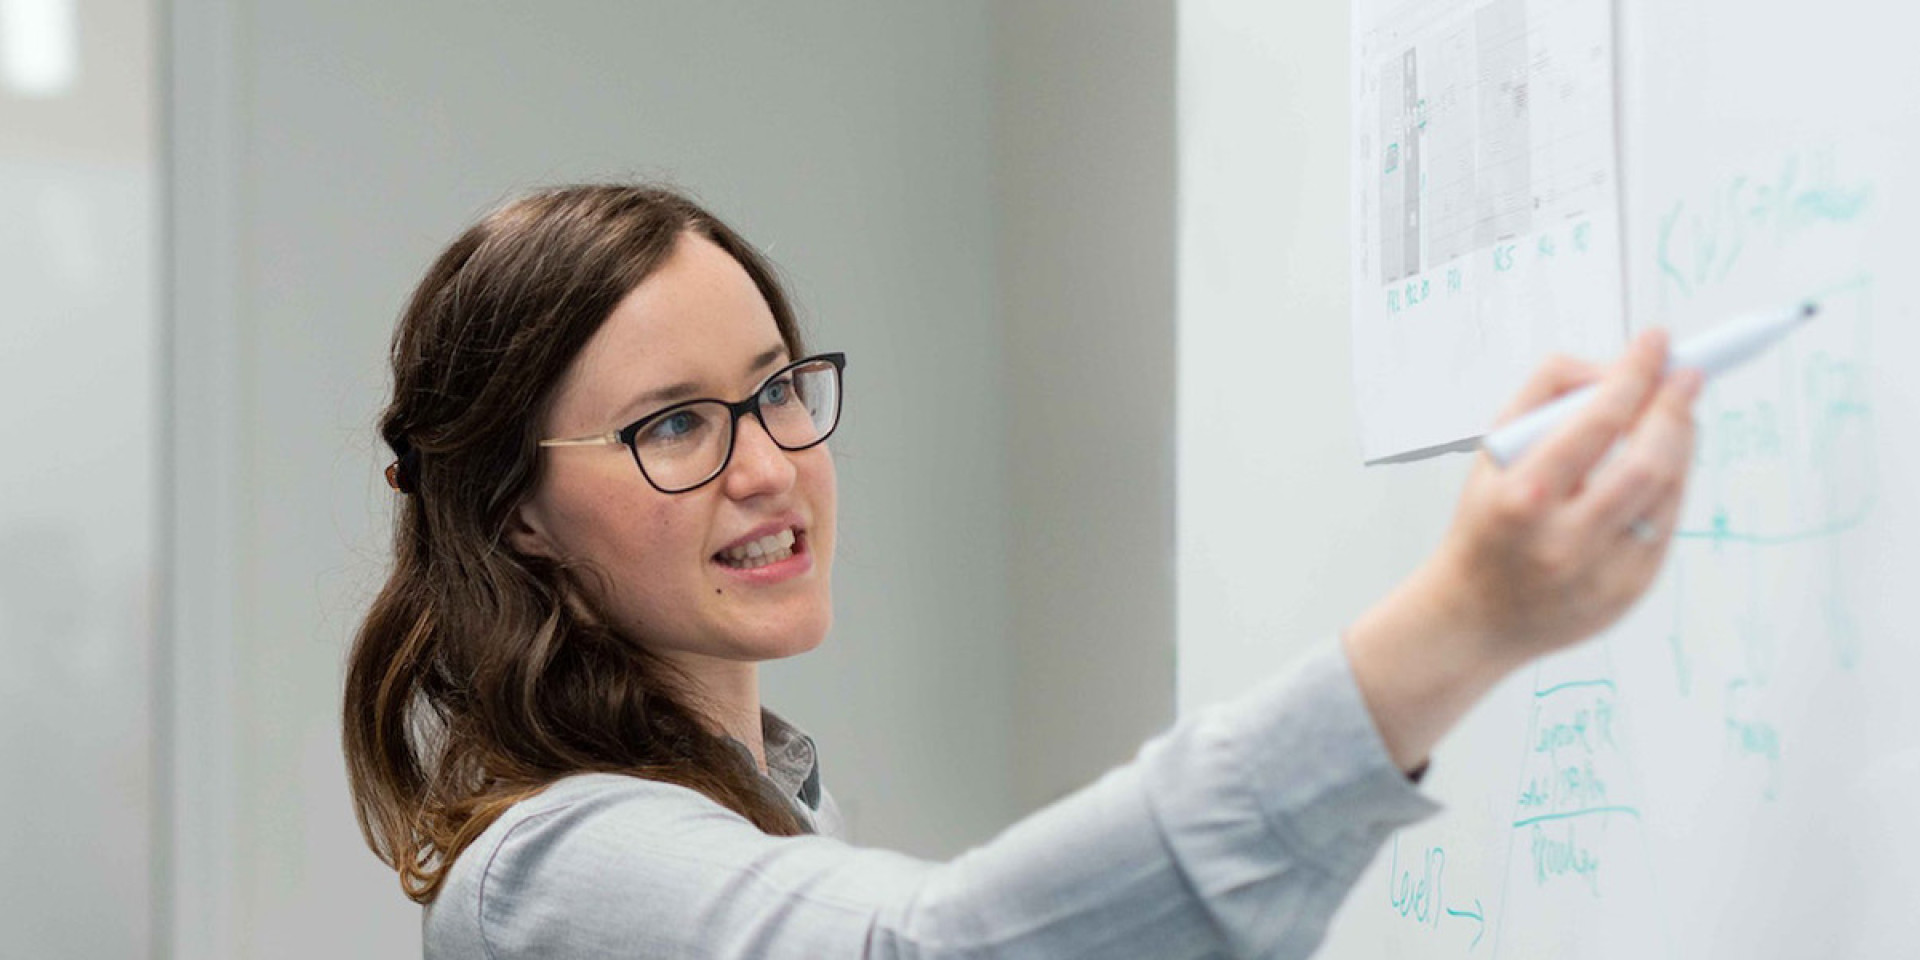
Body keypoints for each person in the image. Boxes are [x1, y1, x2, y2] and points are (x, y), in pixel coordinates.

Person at [342, 184, 1701, 959]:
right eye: (676, 426)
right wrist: (1458, 625)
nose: (768, 466)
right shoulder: (557, 869)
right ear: (518, 513)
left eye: (776, 392)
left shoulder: (775, 801)